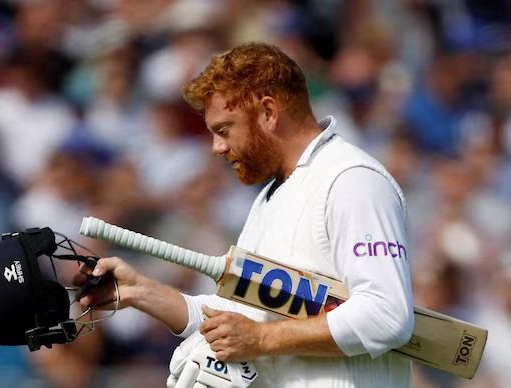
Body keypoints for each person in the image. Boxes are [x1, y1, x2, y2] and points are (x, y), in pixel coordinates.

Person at [75, 42, 414, 387]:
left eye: (224, 129)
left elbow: (386, 315)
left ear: (268, 113)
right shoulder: (270, 195)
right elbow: (240, 317)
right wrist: (140, 292)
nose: (217, 148)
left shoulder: (351, 180)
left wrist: (260, 339)